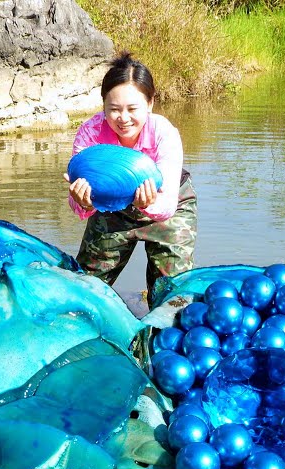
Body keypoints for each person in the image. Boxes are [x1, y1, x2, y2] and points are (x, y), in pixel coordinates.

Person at [65, 52, 197, 298]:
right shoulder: (90, 134)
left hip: (169, 205)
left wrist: (148, 203)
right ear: (103, 104)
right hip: (112, 210)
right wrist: (82, 202)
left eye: (132, 108)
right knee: (84, 290)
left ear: (150, 103)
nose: (123, 118)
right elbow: (78, 203)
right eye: (113, 109)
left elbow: (167, 205)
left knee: (172, 296)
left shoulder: (164, 133)